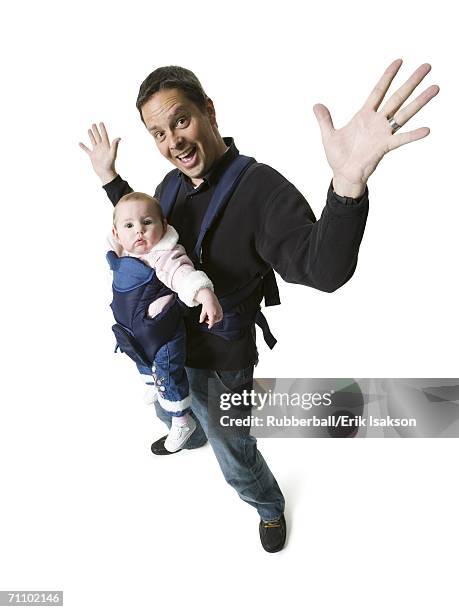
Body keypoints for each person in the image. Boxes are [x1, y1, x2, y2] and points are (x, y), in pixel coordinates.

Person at [80, 60, 439, 553]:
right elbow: (145, 232)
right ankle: (190, 430)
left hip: (219, 365)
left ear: (209, 111)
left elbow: (323, 269)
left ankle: (268, 505)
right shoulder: (169, 186)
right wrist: (111, 182)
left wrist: (347, 186)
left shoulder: (260, 190)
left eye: (181, 121)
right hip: (165, 348)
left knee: (234, 453)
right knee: (170, 410)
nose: (174, 142)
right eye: (158, 133)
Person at [108, 191, 222, 452]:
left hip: (163, 334)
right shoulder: (121, 249)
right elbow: (123, 217)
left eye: (147, 223)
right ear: (116, 233)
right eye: (129, 226)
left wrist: (204, 294)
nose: (139, 231)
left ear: (164, 226)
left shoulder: (164, 255)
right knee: (138, 356)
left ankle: (182, 422)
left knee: (169, 375)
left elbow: (183, 274)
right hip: (135, 330)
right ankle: (153, 384)